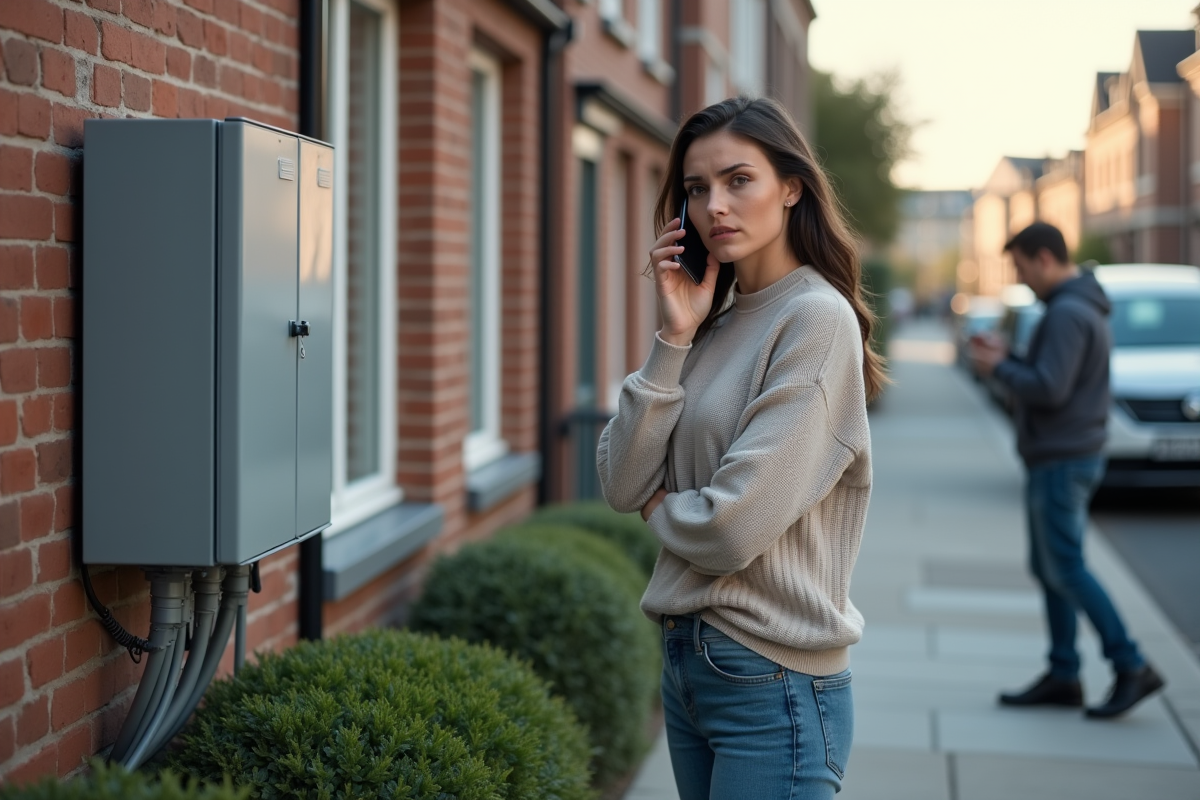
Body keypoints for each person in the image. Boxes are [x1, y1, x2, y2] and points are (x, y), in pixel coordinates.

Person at [596, 97, 883, 800]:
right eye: (696, 188)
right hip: (691, 667)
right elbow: (619, 480)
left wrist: (661, 508)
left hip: (772, 679)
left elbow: (732, 527)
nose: (714, 205)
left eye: (738, 180)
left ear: (791, 187)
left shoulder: (815, 319)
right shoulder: (713, 322)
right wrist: (674, 337)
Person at [970, 222, 1164, 719]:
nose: (1022, 277)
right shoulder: (1076, 308)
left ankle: (1131, 664)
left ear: (1043, 259)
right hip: (1064, 454)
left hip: (1062, 457)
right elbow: (1055, 379)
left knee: (1066, 568)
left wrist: (999, 369)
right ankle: (1063, 674)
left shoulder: (1067, 313)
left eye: (1020, 266)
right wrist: (1010, 356)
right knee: (1052, 568)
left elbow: (1049, 388)